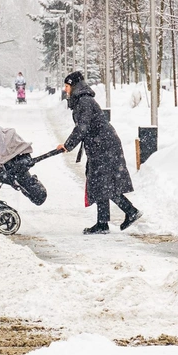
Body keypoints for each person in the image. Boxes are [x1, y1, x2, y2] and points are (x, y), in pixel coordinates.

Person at [56, 71, 142, 235]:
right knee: (100, 183)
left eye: (67, 86)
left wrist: (67, 145)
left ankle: (129, 212)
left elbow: (83, 127)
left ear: (74, 86)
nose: (65, 90)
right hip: (100, 145)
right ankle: (104, 223)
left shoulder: (85, 102)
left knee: (103, 182)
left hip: (104, 146)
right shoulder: (82, 101)